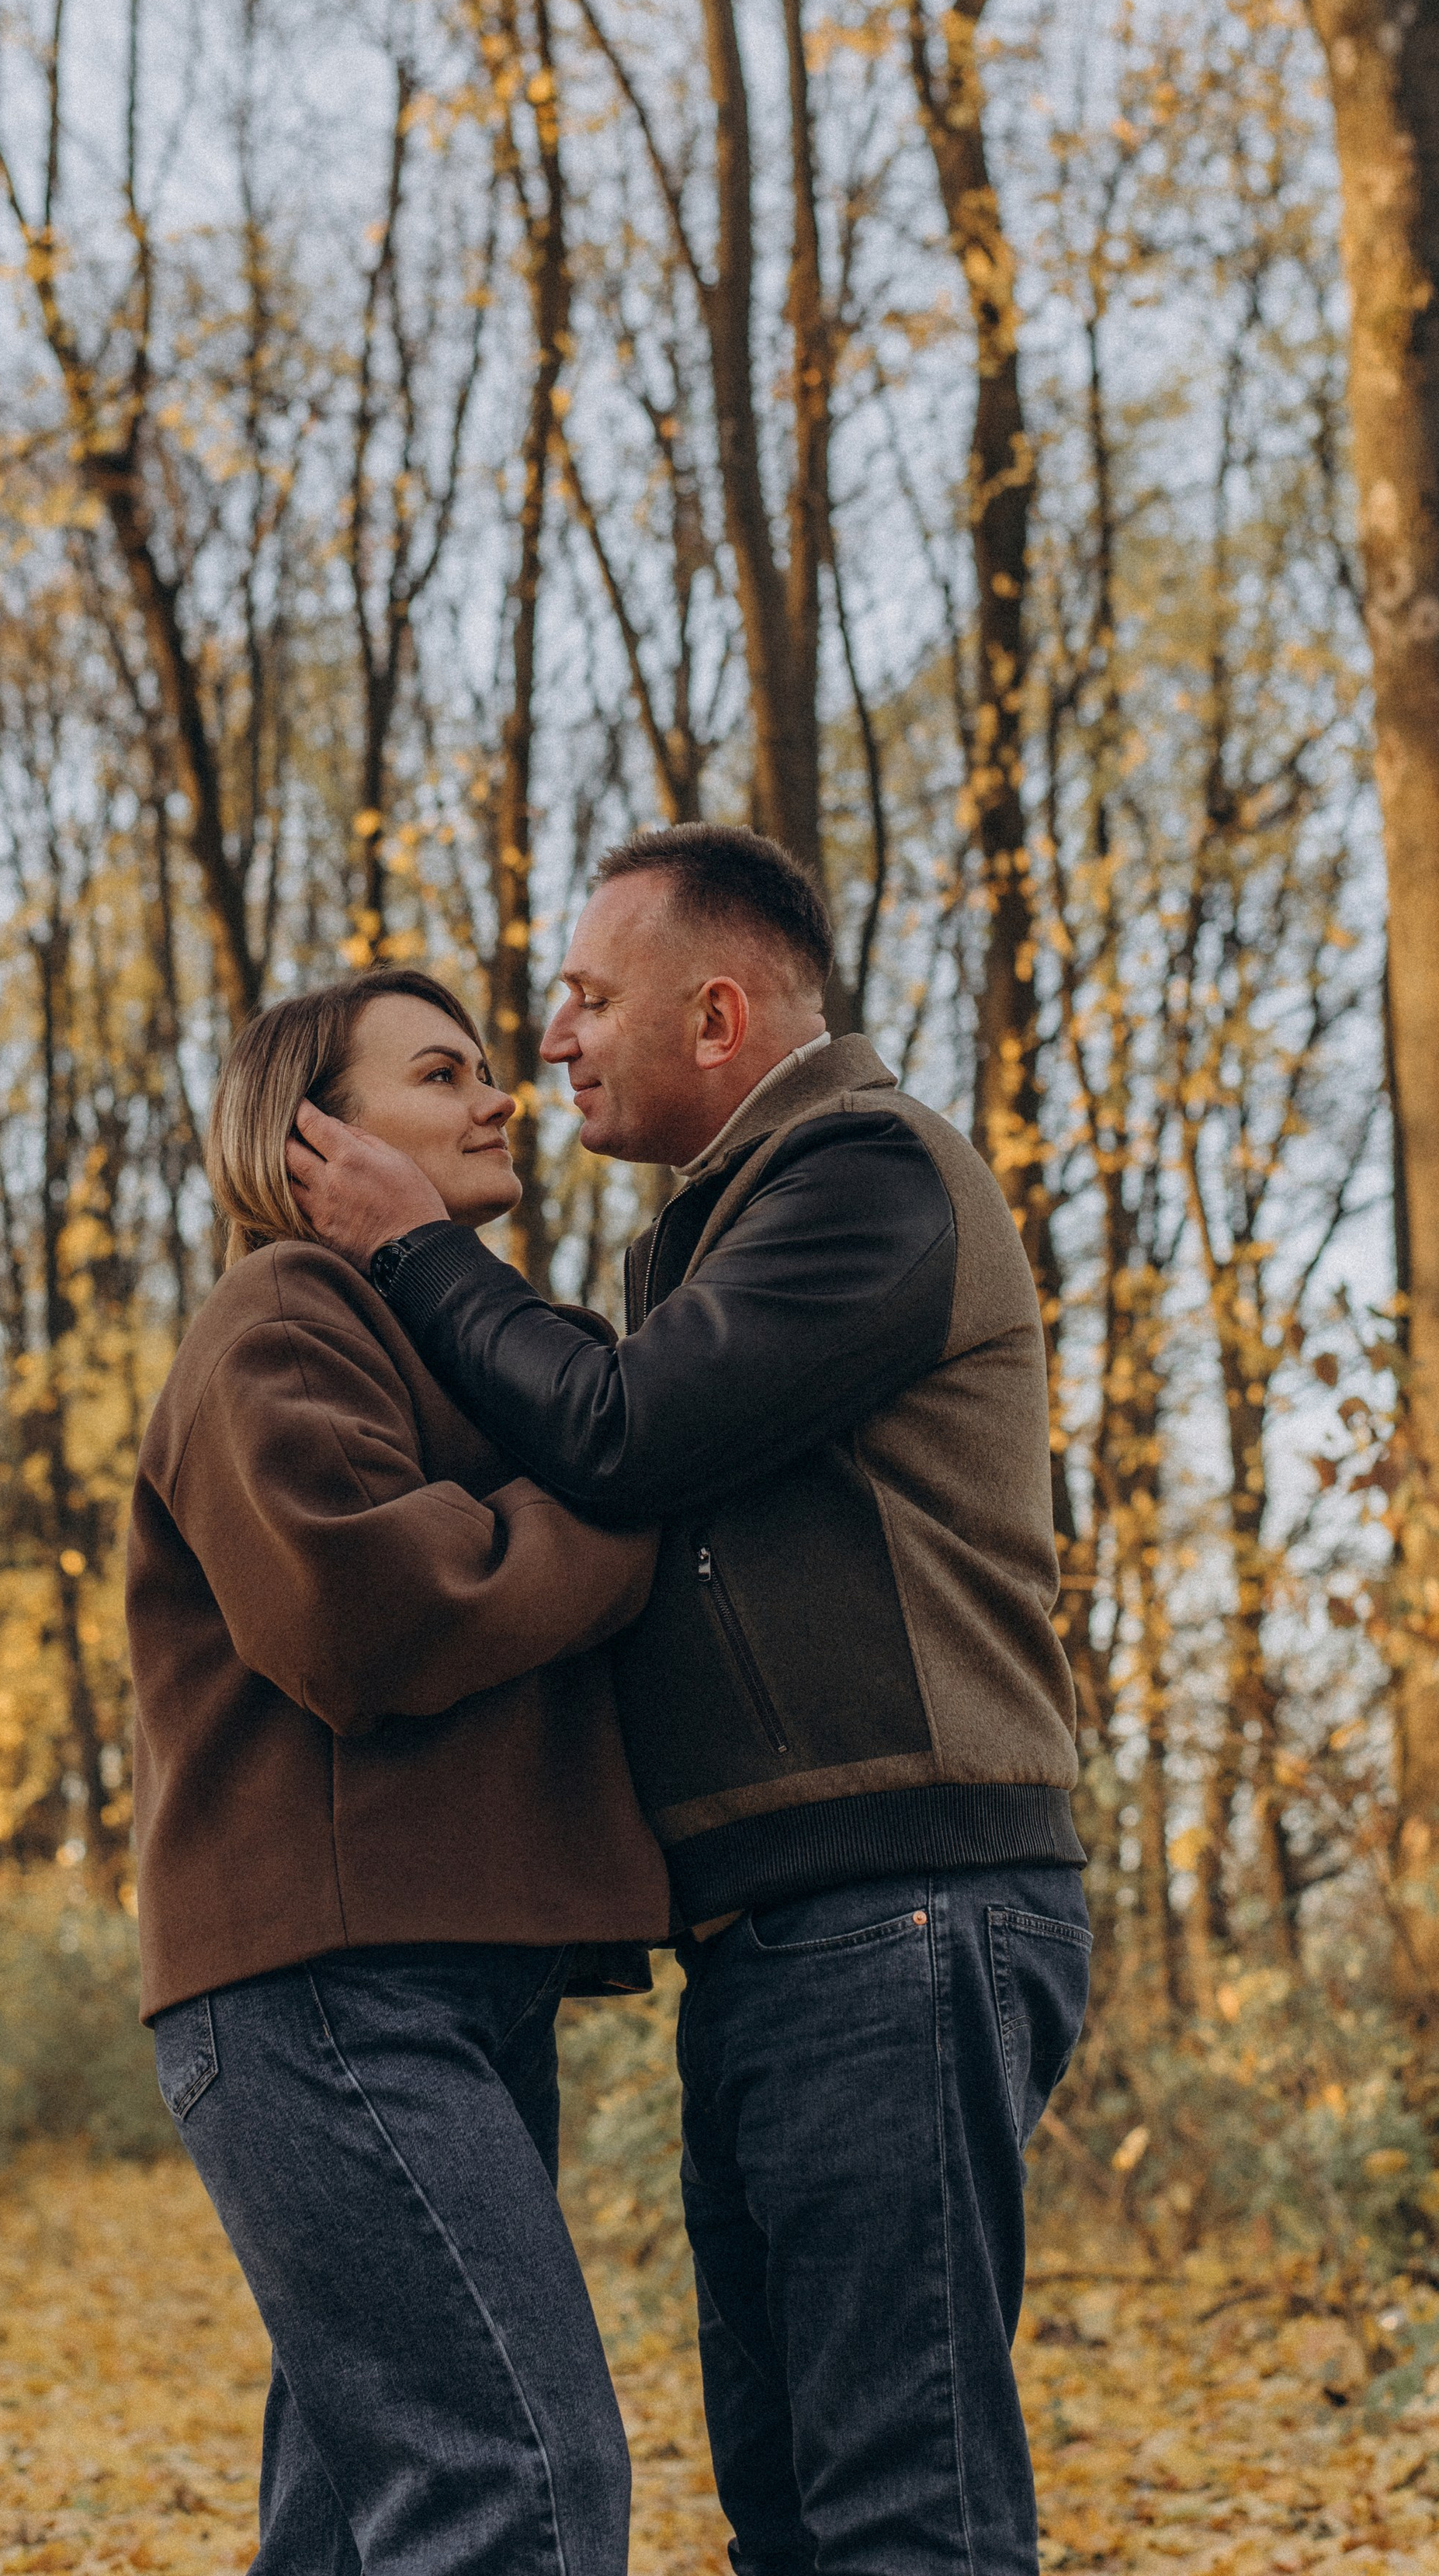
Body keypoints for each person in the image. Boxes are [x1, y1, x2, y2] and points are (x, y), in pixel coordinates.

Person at [290, 826, 1090, 2576]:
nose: (551, 1038)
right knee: (794, 2508)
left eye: (584, 999)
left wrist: (422, 1248)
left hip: (903, 1903)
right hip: (788, 1933)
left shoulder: (867, 1178)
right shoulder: (711, 1243)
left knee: (899, 2506)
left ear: (716, 1012)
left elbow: (626, 1430)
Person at [128, 965, 670, 2576]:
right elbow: (361, 1612)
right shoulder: (282, 1316)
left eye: (493, 1067)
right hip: (330, 1987)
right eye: (443, 1073)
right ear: (310, 1138)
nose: (499, 1092)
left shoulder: (448, 1341)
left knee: (365, 2526)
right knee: (520, 2482)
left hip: (435, 1979)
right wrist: (608, 1522)